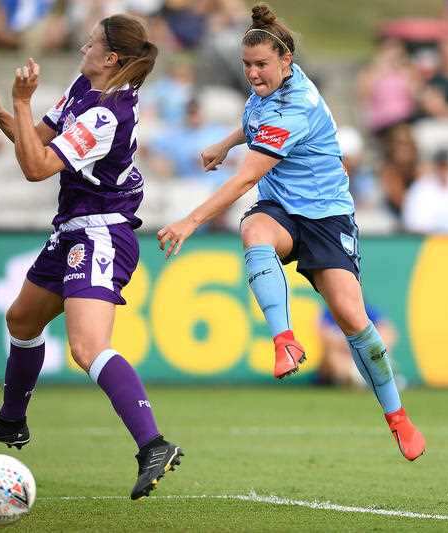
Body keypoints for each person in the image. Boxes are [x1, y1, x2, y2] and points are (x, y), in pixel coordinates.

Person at [156, 3, 425, 462]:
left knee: (353, 320)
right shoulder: (268, 94)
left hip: (326, 218)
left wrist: (189, 220)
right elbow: (251, 122)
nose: (253, 74)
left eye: (261, 65)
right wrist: (224, 143)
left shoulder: (295, 109)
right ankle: (284, 341)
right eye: (247, 66)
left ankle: (397, 417)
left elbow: (244, 180)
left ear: (287, 62)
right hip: (282, 209)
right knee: (255, 231)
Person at [0, 15, 183, 501]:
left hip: (101, 233)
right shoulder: (83, 86)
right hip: (74, 228)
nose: (84, 45)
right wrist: (3, 110)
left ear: (111, 59)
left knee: (86, 346)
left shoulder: (107, 113)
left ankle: (154, 444)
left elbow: (35, 169)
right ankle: (12, 421)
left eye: (93, 41)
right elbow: (34, 138)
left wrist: (19, 99)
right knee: (21, 320)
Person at [317, 303, 398, 388]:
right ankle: (363, 378)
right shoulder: (331, 311)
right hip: (343, 356)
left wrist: (367, 348)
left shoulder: (366, 310)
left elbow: (388, 332)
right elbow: (324, 335)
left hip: (366, 356)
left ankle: (374, 377)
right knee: (333, 357)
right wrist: (350, 344)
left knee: (380, 353)